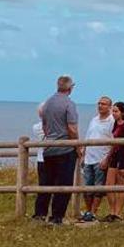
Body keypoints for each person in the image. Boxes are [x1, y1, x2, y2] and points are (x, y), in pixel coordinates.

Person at [38, 75, 80, 225]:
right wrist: (77, 145)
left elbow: (44, 126)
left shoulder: (47, 103)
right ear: (70, 88)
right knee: (64, 185)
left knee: (47, 183)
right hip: (65, 149)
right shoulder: (69, 104)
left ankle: (41, 214)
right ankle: (57, 216)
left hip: (49, 148)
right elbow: (72, 128)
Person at [79, 96, 114, 222]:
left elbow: (114, 141)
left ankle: (93, 212)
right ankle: (88, 211)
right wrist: (83, 153)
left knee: (98, 187)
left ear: (110, 106)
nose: (100, 106)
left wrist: (107, 158)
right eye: (99, 103)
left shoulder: (112, 121)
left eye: (103, 104)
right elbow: (88, 137)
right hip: (89, 158)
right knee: (87, 187)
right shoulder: (94, 120)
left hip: (101, 158)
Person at [101, 101, 124, 221]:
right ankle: (112, 211)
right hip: (114, 154)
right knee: (109, 184)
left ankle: (118, 212)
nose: (113, 113)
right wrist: (108, 157)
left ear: (122, 112)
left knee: (121, 184)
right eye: (113, 111)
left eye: (116, 111)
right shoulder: (115, 125)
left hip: (123, 155)